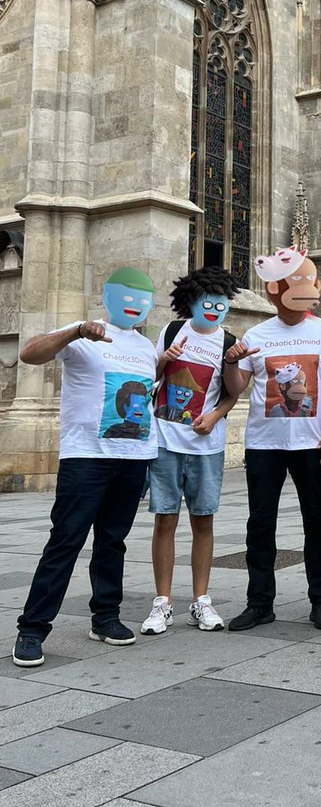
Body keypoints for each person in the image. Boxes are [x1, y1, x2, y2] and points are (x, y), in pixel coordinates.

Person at [13, 267, 158, 667]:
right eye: (129, 296)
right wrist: (75, 333)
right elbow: (29, 353)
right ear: (110, 296)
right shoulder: (82, 331)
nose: (135, 304)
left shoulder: (146, 347)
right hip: (86, 457)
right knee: (66, 540)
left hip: (133, 460)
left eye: (143, 298)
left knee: (113, 541)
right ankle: (32, 628)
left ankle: (106, 617)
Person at [222, 247, 321, 632]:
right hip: (264, 444)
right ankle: (259, 603)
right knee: (260, 524)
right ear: (275, 290)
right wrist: (230, 361)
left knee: (317, 523)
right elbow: (238, 387)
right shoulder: (256, 334)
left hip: (311, 443)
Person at [140, 266, 240, 637]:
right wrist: (164, 359)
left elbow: (232, 393)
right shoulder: (171, 331)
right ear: (192, 303)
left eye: (220, 303)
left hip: (205, 446)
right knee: (164, 520)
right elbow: (147, 378)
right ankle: (162, 603)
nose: (214, 309)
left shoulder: (229, 341)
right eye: (206, 302)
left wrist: (213, 415)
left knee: (203, 520)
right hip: (165, 440)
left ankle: (201, 600)